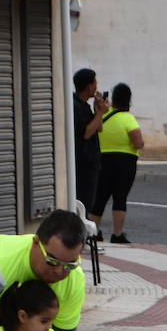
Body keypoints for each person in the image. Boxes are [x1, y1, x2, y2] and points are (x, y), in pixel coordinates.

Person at [92, 82, 145, 244]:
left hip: (102, 160)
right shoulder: (128, 119)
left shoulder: (103, 117)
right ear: (129, 100)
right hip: (125, 162)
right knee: (120, 198)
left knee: (99, 197)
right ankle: (117, 234)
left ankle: (94, 232)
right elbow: (138, 143)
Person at [73, 68, 108, 220]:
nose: (96, 87)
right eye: (95, 83)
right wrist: (100, 113)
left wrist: (97, 110)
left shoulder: (85, 106)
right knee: (84, 202)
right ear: (89, 86)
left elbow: (98, 128)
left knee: (89, 201)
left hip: (91, 162)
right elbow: (86, 133)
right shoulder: (75, 106)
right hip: (83, 164)